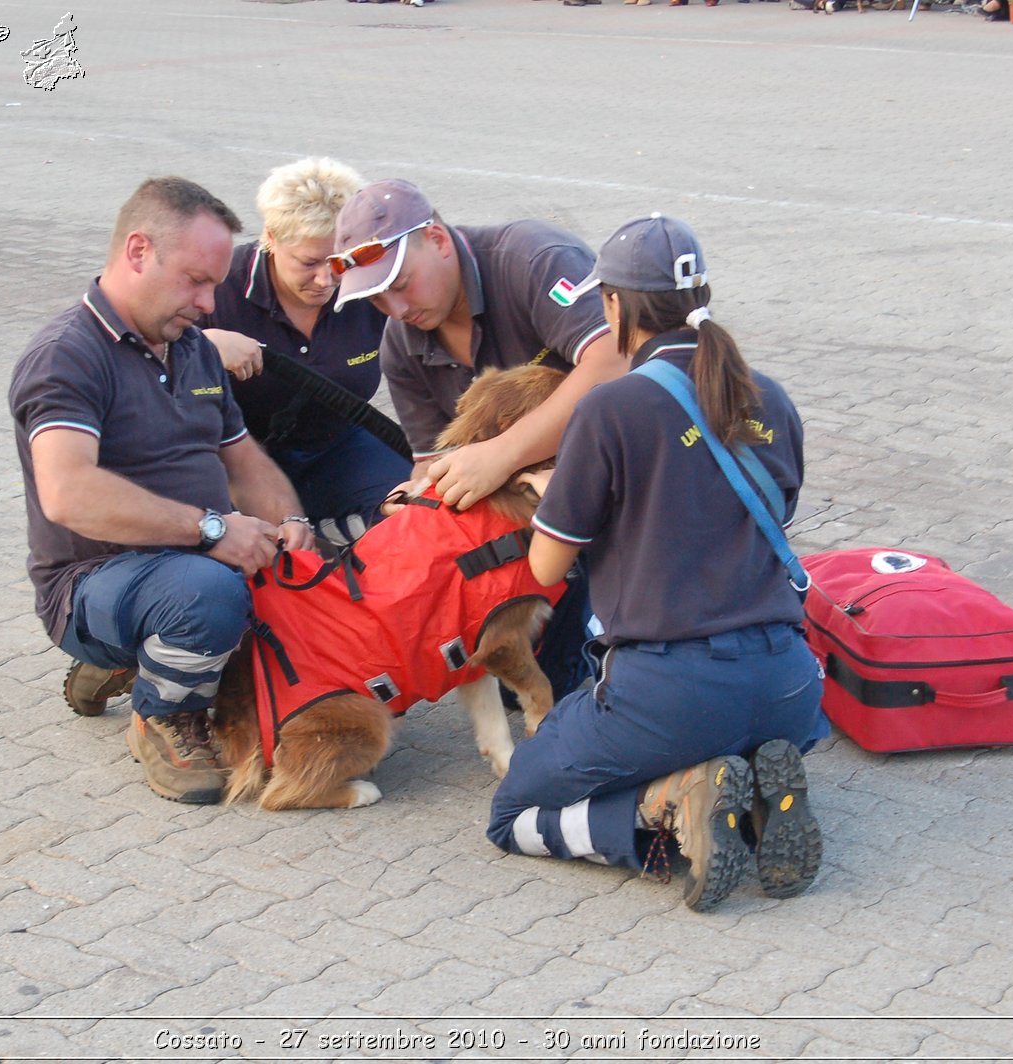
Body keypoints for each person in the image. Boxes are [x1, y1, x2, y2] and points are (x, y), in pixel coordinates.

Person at [484, 214, 829, 911]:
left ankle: (668, 803)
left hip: (671, 695)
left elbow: (550, 567)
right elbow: (752, 523)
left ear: (614, 306)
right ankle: (755, 793)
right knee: (728, 726)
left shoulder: (611, 409)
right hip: (790, 687)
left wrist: (556, 492)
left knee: (512, 815)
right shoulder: (771, 399)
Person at [9, 176, 313, 804]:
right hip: (93, 581)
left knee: (289, 586)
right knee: (208, 593)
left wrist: (291, 528)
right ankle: (164, 714)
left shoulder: (193, 349)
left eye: (216, 286)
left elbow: (245, 462)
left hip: (184, 564)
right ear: (139, 251)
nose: (209, 304)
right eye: (196, 281)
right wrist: (213, 530)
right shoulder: (67, 356)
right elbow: (69, 493)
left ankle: (147, 653)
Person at [330, 179, 624, 700]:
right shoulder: (400, 346)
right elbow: (432, 462)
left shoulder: (532, 257)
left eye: (401, 284)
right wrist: (417, 498)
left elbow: (614, 361)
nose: (395, 309)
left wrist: (502, 454)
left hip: (621, 474)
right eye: (377, 298)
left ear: (438, 240)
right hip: (532, 518)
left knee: (585, 682)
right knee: (530, 681)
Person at [202, 158, 411, 538]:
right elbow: (124, 349)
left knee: (417, 514)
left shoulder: (368, 284)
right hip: (231, 457)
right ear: (270, 237)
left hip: (334, 445)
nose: (326, 280)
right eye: (308, 262)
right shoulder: (217, 286)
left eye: (338, 262)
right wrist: (198, 345)